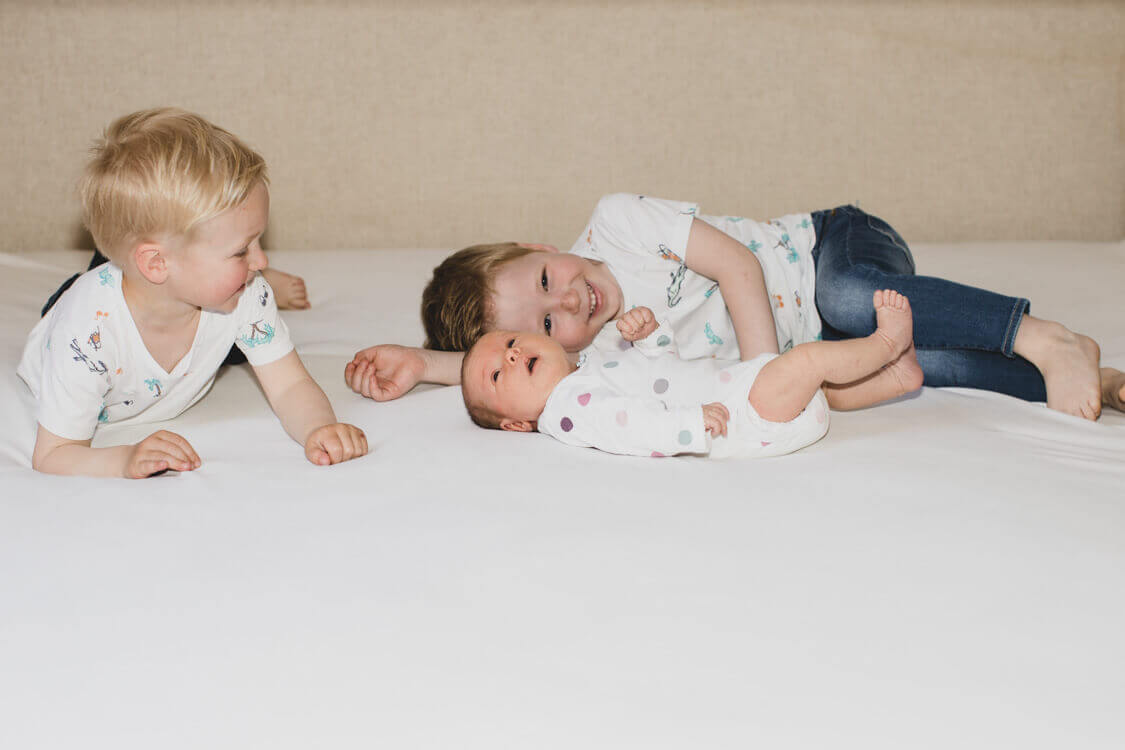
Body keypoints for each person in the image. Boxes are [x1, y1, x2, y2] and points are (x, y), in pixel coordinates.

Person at [346, 194, 1125, 420]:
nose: (569, 298)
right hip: (822, 341)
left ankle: (1041, 334)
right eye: (547, 325)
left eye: (547, 277)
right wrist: (419, 364)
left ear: (536, 244)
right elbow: (503, 369)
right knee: (918, 367)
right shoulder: (601, 354)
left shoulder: (617, 225)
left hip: (837, 249)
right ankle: (1087, 378)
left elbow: (738, 265)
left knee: (846, 299)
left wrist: (762, 372)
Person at [18, 107, 367, 478]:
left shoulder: (248, 292)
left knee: (238, 319)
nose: (261, 260)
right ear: (158, 263)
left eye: (258, 242)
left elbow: (290, 385)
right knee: (80, 289)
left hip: (184, 293)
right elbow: (53, 455)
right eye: (242, 250)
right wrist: (124, 460)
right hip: (85, 312)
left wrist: (319, 427)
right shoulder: (85, 335)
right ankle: (101, 267)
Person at [461, 290, 919, 457]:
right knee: (808, 363)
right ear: (516, 424)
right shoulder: (567, 409)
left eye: (510, 343)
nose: (513, 357)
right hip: (741, 417)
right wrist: (687, 424)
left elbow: (666, 371)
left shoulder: (593, 364)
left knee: (821, 388)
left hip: (742, 388)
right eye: (497, 375)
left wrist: (650, 337)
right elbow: (630, 426)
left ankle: (898, 378)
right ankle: (886, 343)